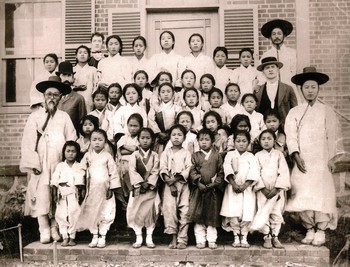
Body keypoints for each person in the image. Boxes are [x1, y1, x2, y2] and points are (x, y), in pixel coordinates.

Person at [284, 66, 343, 246]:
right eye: (306, 87)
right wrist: (295, 155)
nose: (310, 90)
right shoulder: (295, 112)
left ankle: (321, 229)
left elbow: (333, 136)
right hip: (302, 160)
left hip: (321, 159)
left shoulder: (326, 111)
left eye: (313, 87)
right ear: (301, 89)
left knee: (321, 193)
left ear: (318, 89)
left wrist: (332, 158)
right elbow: (291, 135)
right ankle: (309, 228)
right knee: (302, 193)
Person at [20, 75, 76, 244]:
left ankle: (55, 227)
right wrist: (33, 163)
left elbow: (71, 139)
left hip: (58, 162)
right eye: (49, 94)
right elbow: (28, 141)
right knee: (42, 194)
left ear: (60, 98)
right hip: (41, 164)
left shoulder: (64, 117)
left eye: (56, 95)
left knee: (58, 194)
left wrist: (68, 162)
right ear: (43, 96)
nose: (52, 98)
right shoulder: (35, 117)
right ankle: (43, 228)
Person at [77, 129, 121, 248]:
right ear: (90, 141)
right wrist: (81, 186)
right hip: (91, 190)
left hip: (105, 190)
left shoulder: (107, 156)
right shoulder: (87, 156)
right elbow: (81, 170)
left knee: (105, 212)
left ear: (105, 141)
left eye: (100, 140)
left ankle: (103, 236)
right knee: (92, 212)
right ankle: (94, 235)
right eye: (94, 140)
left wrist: (111, 188)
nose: (97, 143)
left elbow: (113, 173)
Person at [251, 129, 290, 249]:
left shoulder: (278, 155)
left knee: (276, 212)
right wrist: (262, 188)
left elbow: (283, 171)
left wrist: (277, 189)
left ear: (274, 141)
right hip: (263, 191)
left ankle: (275, 236)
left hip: (276, 190)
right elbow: (255, 172)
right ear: (259, 142)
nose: (266, 141)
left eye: (269, 139)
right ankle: (266, 236)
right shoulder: (257, 155)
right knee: (263, 211)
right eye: (263, 139)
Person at [220, 130, 259, 248]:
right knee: (233, 212)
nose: (241, 144)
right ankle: (236, 236)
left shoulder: (251, 156)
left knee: (246, 212)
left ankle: (244, 237)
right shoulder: (230, 155)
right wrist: (233, 184)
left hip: (247, 189)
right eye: (238, 141)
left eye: (244, 141)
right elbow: (227, 168)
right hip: (233, 188)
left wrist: (245, 185)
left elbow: (254, 171)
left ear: (248, 143)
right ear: (234, 142)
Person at [188, 129, 224, 249]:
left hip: (212, 190)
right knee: (198, 215)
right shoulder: (195, 156)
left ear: (212, 141)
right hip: (199, 190)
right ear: (198, 141)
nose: (204, 142)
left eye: (207, 139)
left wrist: (214, 184)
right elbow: (192, 170)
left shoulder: (217, 156)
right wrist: (198, 183)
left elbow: (221, 172)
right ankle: (200, 240)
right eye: (201, 140)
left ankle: (212, 240)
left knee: (212, 215)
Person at [127, 127, 160, 248]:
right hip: (139, 188)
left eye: (148, 138)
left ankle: (149, 236)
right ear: (138, 140)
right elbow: (132, 170)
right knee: (136, 211)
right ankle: (138, 236)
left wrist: (150, 183)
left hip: (150, 189)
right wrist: (141, 183)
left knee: (150, 211)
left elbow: (156, 170)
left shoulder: (155, 155)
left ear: (152, 140)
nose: (145, 141)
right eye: (142, 138)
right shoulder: (134, 155)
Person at [160, 124, 192, 249]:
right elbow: (162, 168)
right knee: (170, 211)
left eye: (179, 135)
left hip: (183, 185)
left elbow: (189, 168)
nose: (176, 137)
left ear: (184, 138)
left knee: (184, 211)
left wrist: (177, 178)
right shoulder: (165, 153)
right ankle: (173, 238)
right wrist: (170, 182)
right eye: (173, 135)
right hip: (169, 185)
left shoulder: (186, 153)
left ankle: (182, 239)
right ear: (170, 137)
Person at [51, 141, 85, 247]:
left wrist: (80, 190)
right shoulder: (60, 166)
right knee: (61, 215)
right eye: (68, 151)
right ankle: (64, 236)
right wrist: (54, 192)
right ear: (64, 152)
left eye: (73, 151)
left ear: (77, 153)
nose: (70, 153)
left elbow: (80, 181)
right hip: (61, 195)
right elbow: (55, 180)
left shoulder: (79, 166)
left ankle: (72, 237)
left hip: (73, 195)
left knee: (74, 214)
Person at [260, 19, 300, 102]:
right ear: (270, 37)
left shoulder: (292, 53)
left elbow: (295, 73)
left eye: (279, 33)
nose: (276, 36)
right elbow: (262, 76)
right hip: (272, 91)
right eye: (273, 34)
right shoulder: (266, 55)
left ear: (284, 35)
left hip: (289, 89)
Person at [254, 57, 297, 126]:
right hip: (263, 130)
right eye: (267, 68)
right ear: (263, 72)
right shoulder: (258, 91)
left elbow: (295, 111)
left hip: (283, 128)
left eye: (273, 67)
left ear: (278, 70)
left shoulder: (288, 89)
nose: (270, 70)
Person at [116, 113, 143, 204]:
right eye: (130, 125)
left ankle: (132, 191)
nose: (132, 128)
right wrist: (129, 149)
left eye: (135, 126)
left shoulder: (140, 138)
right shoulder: (124, 137)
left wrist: (124, 147)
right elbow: (120, 150)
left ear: (140, 126)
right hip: (122, 163)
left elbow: (136, 149)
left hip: (134, 164)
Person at [56, 61, 87, 136]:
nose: (66, 78)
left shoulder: (79, 98)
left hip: (72, 136)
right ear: (59, 77)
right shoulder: (53, 98)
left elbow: (82, 121)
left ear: (73, 78)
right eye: (63, 75)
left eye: (69, 75)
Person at [73, 45, 98, 112]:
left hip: (89, 99)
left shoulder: (93, 70)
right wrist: (76, 88)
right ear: (76, 56)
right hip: (74, 99)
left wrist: (93, 98)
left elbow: (96, 85)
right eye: (80, 52)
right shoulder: (72, 70)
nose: (82, 54)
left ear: (89, 56)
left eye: (85, 53)